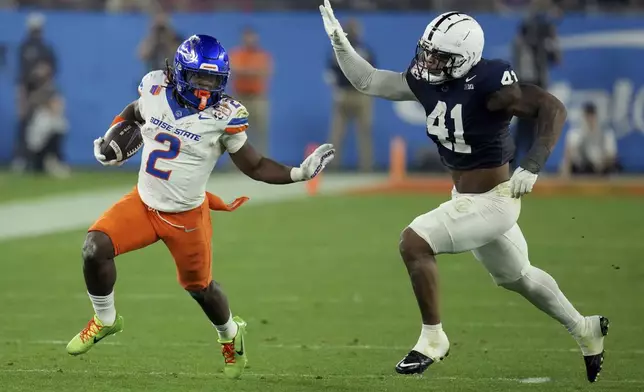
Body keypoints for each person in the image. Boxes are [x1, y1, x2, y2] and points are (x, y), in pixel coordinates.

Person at [319, 1, 607, 383]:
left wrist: (534, 163)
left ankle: (433, 338)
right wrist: (340, 41)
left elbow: (552, 108)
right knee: (517, 276)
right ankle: (584, 329)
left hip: (495, 202)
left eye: (439, 56)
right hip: (466, 200)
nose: (428, 61)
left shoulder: (491, 84)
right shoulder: (425, 79)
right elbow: (369, 80)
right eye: (428, 51)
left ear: (465, 58)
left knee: (414, 242)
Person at [65, 34, 335, 380]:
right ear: (179, 73)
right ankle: (105, 319)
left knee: (200, 289)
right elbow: (135, 112)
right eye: (199, 78)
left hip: (187, 215)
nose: (206, 88)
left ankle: (230, 335)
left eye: (213, 80)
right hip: (144, 203)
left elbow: (254, 165)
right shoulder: (154, 88)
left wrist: (298, 173)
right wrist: (114, 136)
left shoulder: (226, 116)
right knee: (94, 248)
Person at [325, 18, 375, 172]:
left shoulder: (361, 50)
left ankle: (366, 166)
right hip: (346, 94)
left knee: (364, 132)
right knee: (338, 132)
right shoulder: (339, 50)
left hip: (359, 94)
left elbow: (372, 72)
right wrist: (336, 90)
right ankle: (334, 165)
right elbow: (331, 73)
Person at [229, 26, 273, 154]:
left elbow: (264, 72)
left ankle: (262, 162)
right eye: (247, 36)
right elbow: (234, 71)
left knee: (260, 132)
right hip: (239, 98)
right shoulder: (236, 54)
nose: (249, 39)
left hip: (258, 98)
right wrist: (252, 71)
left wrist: (245, 71)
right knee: (235, 132)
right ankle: (235, 166)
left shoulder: (262, 56)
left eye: (252, 36)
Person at [560, 102, 619, 177]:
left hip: (602, 170)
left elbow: (612, 156)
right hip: (581, 170)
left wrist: (602, 163)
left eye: (592, 115)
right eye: (588, 116)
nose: (590, 119)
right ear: (583, 116)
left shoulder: (606, 134)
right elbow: (567, 158)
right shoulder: (574, 134)